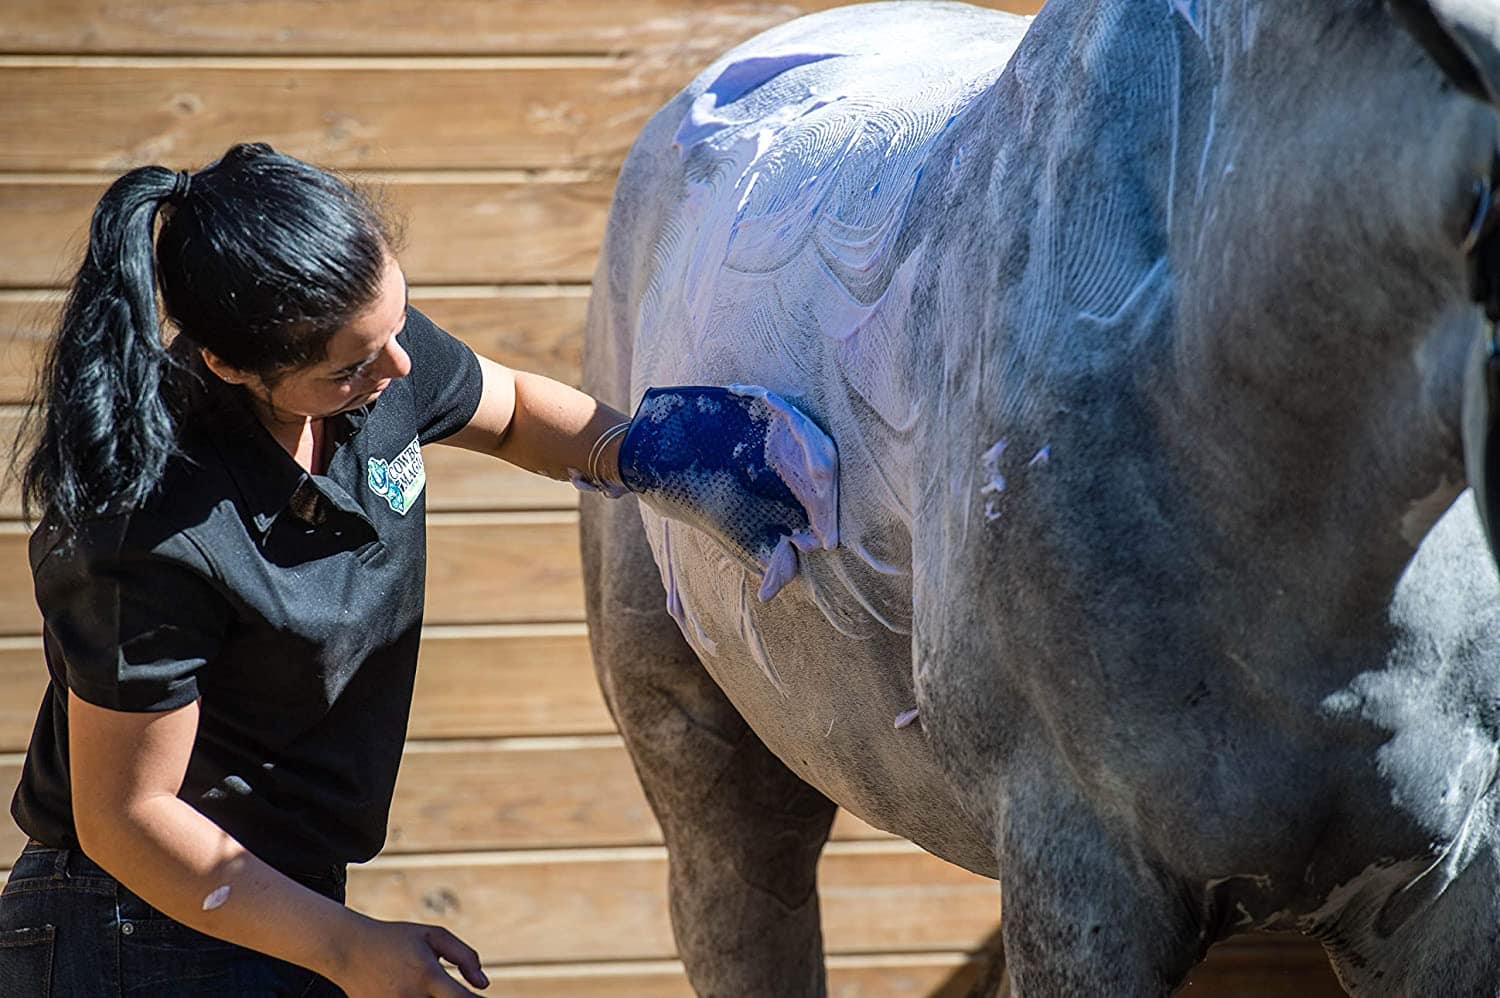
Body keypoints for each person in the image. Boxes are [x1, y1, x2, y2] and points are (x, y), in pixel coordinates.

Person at [0, 142, 832, 997]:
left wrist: (644, 451)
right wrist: (350, 948)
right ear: (230, 364)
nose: (398, 371)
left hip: (271, 892)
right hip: (135, 923)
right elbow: (126, 818)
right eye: (352, 366)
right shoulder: (148, 530)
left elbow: (506, 411)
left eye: (394, 326)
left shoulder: (365, 352)